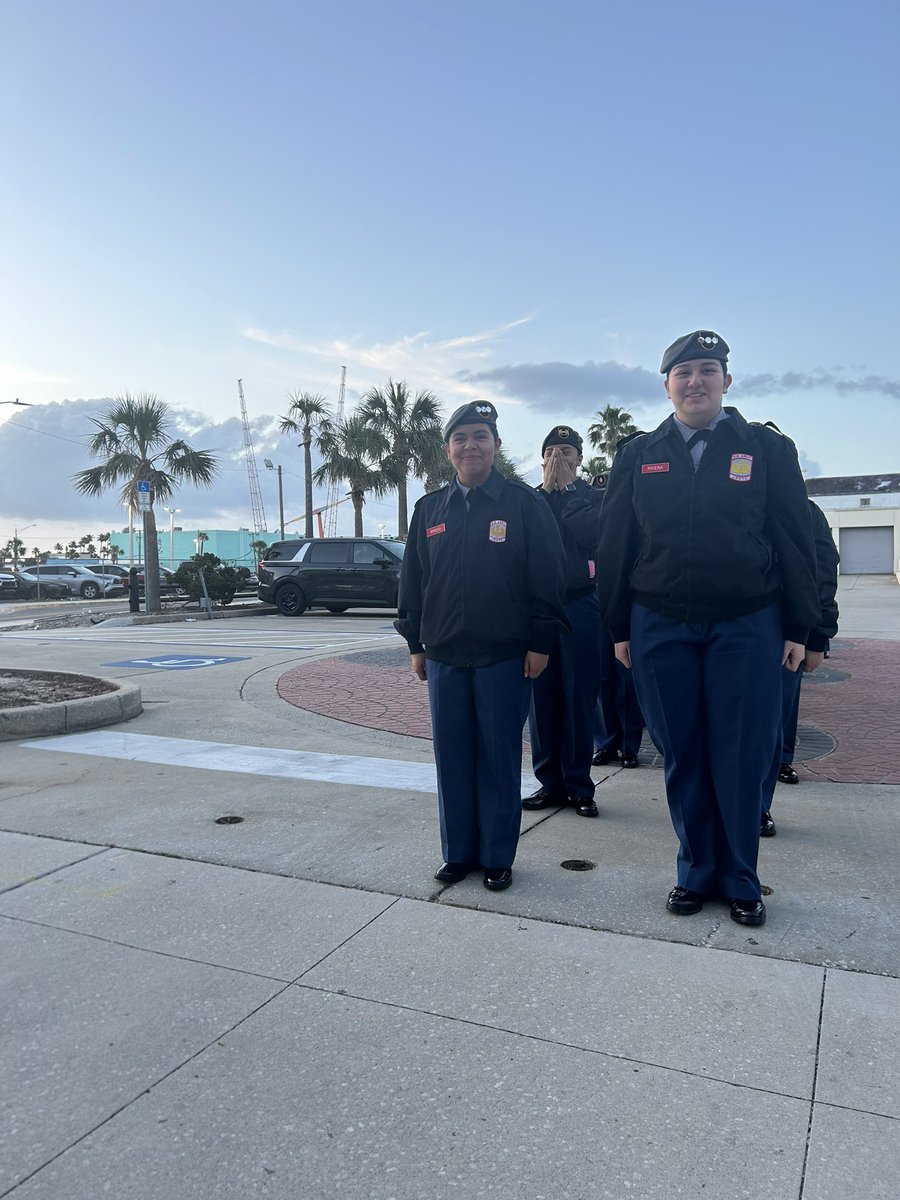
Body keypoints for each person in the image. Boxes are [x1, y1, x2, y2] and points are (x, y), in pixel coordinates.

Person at [597, 330, 820, 927]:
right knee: (684, 752)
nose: (695, 381)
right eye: (683, 372)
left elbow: (795, 540)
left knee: (744, 754)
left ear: (726, 379)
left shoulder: (767, 449)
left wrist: (805, 626)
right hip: (660, 624)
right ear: (666, 385)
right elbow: (617, 544)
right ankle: (695, 871)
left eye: (707, 369)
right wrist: (618, 624)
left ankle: (741, 878)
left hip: (748, 624)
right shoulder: (639, 454)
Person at [395, 400, 569, 892]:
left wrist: (541, 640)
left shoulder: (522, 503)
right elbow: (414, 581)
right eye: (461, 438)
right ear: (448, 449)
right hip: (445, 655)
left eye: (480, 436)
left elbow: (547, 576)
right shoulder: (430, 508)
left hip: (506, 655)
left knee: (496, 758)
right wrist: (415, 641)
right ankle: (459, 854)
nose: (470, 445)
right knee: (452, 757)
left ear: (495, 445)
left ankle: (496, 855)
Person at [523, 425, 604, 817]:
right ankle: (549, 783)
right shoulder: (530, 500)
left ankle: (579, 785)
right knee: (542, 700)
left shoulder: (591, 497)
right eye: (552, 451)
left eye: (567, 452)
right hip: (539, 610)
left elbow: (593, 535)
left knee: (579, 696)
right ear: (541, 459)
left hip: (581, 605)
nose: (559, 458)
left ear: (580, 459)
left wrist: (569, 491)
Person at [761, 498, 839, 835]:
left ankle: (757, 806)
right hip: (732, 628)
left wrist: (818, 634)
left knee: (772, 723)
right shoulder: (722, 496)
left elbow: (822, 568)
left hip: (785, 632)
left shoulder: (804, 510)